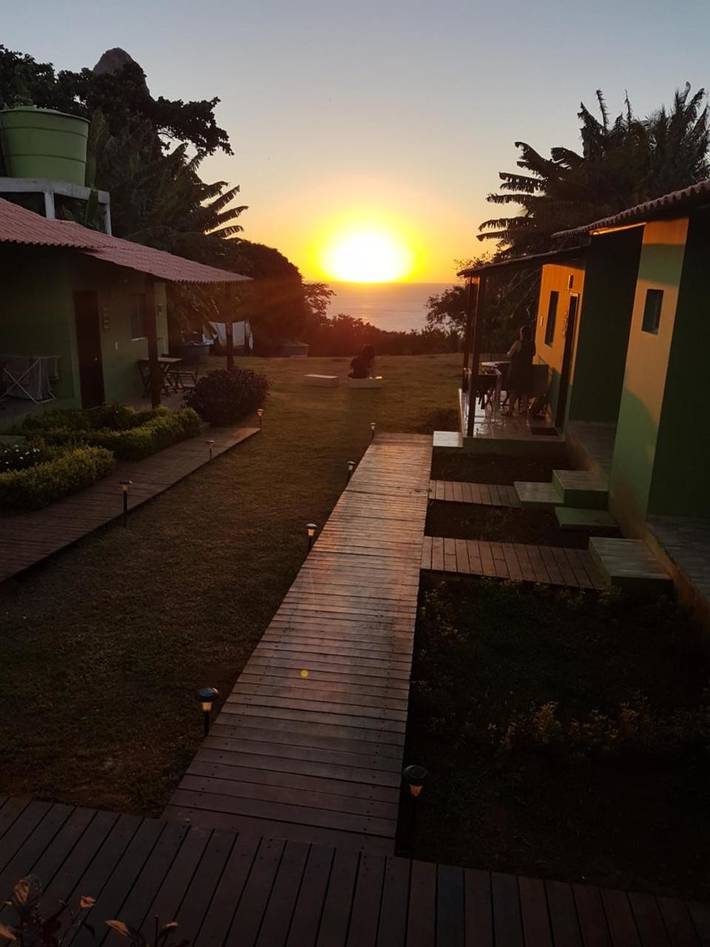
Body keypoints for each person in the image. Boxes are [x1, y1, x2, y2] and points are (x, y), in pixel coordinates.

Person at [505, 325, 535, 415]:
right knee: (524, 391)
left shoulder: (518, 343)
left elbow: (510, 354)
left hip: (516, 371)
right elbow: (533, 354)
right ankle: (524, 410)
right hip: (527, 371)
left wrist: (508, 353)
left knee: (513, 390)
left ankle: (510, 410)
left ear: (522, 334)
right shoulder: (532, 344)